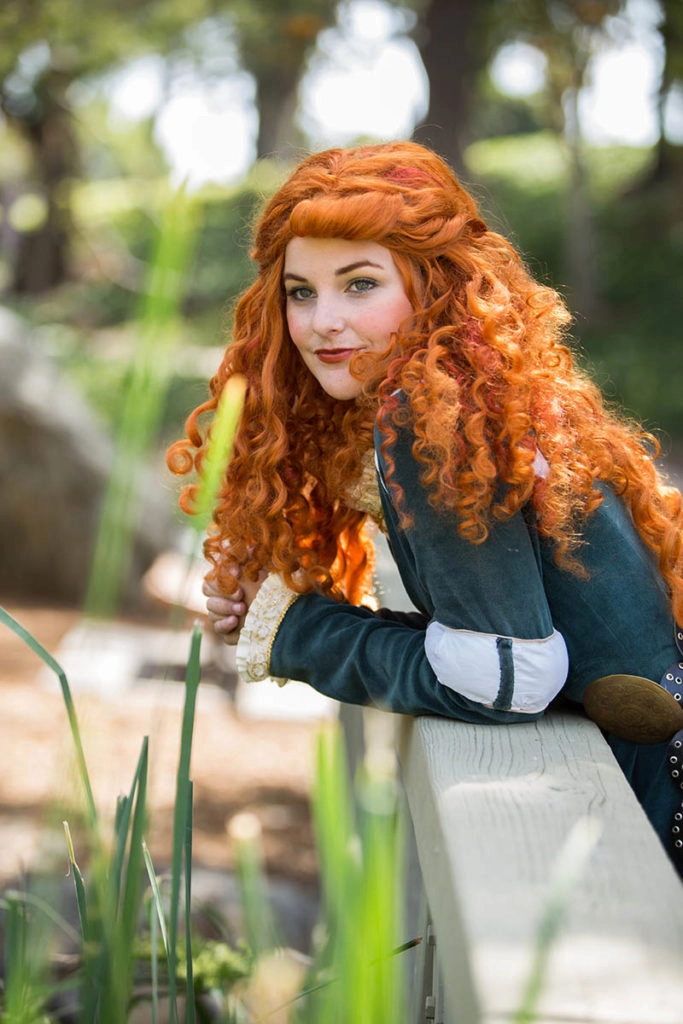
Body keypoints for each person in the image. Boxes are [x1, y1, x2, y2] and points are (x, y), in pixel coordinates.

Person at [167, 140, 683, 876]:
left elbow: (504, 679)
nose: (322, 321)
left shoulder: (431, 417)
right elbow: (500, 638)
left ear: (433, 286)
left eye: (360, 284)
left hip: (653, 814)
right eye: (300, 292)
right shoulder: (475, 395)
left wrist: (293, 631)